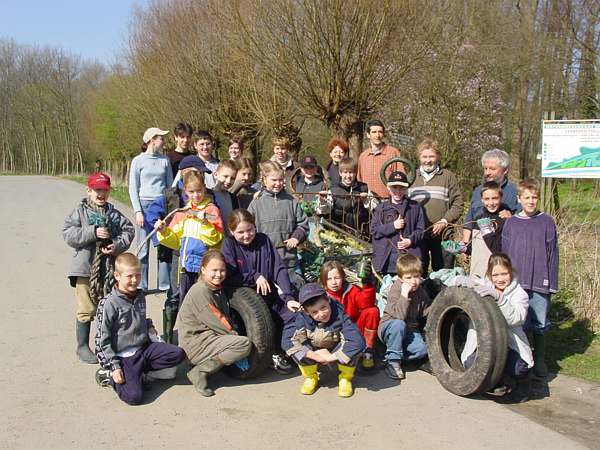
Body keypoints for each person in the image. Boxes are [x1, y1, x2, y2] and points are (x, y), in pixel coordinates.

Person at [94, 253, 186, 405]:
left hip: (143, 348)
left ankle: (141, 372)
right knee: (134, 397)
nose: (135, 280)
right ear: (117, 276)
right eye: (129, 276)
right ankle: (109, 375)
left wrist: (149, 327)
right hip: (123, 355)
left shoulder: (139, 295)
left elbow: (140, 318)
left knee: (178, 354)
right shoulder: (109, 304)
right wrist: (114, 366)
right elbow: (101, 341)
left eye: (138, 275)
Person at [63, 172, 135, 364]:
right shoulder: (80, 212)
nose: (101, 194)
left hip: (109, 269)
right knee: (87, 308)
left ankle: (108, 343)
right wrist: (92, 232)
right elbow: (69, 234)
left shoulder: (113, 213)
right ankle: (82, 347)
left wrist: (117, 245)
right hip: (85, 269)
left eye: (104, 190)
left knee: (109, 307)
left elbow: (129, 230)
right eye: (97, 190)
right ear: (89, 190)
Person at [141, 154, 213, 342]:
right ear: (182, 173)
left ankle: (196, 336)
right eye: (194, 172)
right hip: (177, 252)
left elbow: (216, 223)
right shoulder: (169, 195)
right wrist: (158, 223)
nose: (198, 175)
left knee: (201, 294)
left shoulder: (208, 196)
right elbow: (152, 214)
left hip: (202, 254)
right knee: (175, 293)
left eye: (201, 173)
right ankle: (170, 337)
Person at [222, 209, 300, 374]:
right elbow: (230, 273)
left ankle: (286, 349)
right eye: (240, 232)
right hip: (241, 298)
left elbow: (278, 268)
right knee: (259, 324)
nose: (246, 235)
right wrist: (255, 276)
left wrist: (288, 297)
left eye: (250, 230)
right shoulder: (229, 245)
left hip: (267, 293)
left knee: (292, 314)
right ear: (231, 231)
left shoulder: (263, 240)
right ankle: (268, 354)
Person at [450, 253, 534, 403]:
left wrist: (499, 298)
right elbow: (455, 283)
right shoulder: (483, 285)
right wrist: (459, 280)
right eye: (495, 275)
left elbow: (516, 319)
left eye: (504, 273)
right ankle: (497, 382)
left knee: (519, 368)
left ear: (511, 272)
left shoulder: (519, 294)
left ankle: (521, 383)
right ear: (489, 274)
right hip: (483, 342)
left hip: (508, 344)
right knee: (471, 364)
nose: (500, 279)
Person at [502, 179, 558, 378]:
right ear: (519, 199)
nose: (531, 201)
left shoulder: (547, 222)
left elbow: (553, 254)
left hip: (540, 281)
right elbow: (505, 254)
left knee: (539, 321)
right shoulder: (511, 223)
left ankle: (540, 358)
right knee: (519, 322)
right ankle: (521, 358)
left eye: (534, 197)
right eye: (527, 197)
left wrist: (552, 282)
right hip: (517, 283)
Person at [177, 250, 252, 396]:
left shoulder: (215, 287)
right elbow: (219, 322)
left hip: (207, 337)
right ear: (203, 269)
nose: (219, 274)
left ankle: (205, 364)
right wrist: (238, 339)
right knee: (243, 344)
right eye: (214, 270)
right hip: (194, 344)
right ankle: (199, 371)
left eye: (222, 270)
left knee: (238, 342)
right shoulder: (201, 291)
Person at [282, 283, 366, 397]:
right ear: (306, 311)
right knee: (295, 348)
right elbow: (287, 341)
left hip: (334, 349)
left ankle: (345, 378)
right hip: (314, 350)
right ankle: (311, 376)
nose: (321, 314)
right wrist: (315, 356)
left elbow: (357, 340)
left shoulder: (340, 315)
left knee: (353, 347)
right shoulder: (300, 319)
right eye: (314, 312)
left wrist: (331, 357)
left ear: (328, 300)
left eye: (323, 307)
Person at [154, 171, 223, 305]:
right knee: (185, 302)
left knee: (204, 302)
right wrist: (163, 231)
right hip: (185, 267)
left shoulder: (212, 211)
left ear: (204, 188)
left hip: (205, 268)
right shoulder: (183, 213)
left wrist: (205, 223)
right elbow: (176, 242)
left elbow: (216, 239)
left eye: (199, 191)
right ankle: (183, 326)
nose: (196, 195)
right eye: (191, 192)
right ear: (185, 191)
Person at [248, 160, 309, 289]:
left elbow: (303, 224)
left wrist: (296, 237)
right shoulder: (256, 203)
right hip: (265, 261)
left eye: (281, 180)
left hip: (289, 260)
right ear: (264, 180)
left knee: (294, 294)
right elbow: (247, 228)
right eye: (274, 180)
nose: (278, 183)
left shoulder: (291, 201)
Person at [408, 138, 463, 274]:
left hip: (443, 235)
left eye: (431, 156)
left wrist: (444, 221)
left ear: (437, 157)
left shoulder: (448, 176)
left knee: (444, 274)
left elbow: (458, 204)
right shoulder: (411, 177)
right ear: (419, 157)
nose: (428, 160)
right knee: (418, 274)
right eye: (424, 156)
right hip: (418, 236)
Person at [129, 127, 174, 293]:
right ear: (151, 140)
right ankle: (142, 285)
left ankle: (164, 285)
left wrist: (170, 209)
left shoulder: (165, 161)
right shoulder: (138, 161)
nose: (163, 141)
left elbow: (170, 187)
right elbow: (133, 188)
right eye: (161, 138)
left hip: (161, 206)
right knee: (143, 248)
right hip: (144, 204)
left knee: (163, 245)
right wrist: (137, 211)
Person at [378, 253, 431, 381]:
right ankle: (393, 362)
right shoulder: (396, 289)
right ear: (401, 278)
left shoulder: (420, 291)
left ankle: (392, 354)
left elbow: (426, 311)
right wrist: (404, 295)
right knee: (399, 325)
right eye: (409, 277)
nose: (413, 281)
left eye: (417, 277)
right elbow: (400, 316)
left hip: (410, 329)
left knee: (422, 351)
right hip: (390, 326)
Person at [321, 261, 379, 369]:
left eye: (337, 278)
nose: (334, 282)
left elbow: (366, 304)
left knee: (372, 311)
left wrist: (367, 284)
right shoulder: (321, 294)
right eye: (329, 279)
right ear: (324, 280)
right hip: (332, 332)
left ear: (343, 277)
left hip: (353, 328)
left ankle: (368, 350)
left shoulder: (351, 289)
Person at [371, 171, 425, 276]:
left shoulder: (415, 207)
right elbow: (374, 230)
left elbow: (421, 230)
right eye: (394, 188)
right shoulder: (380, 208)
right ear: (388, 188)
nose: (398, 191)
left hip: (409, 260)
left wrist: (410, 240)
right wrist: (393, 226)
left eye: (401, 188)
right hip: (386, 261)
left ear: (406, 189)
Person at [462, 149, 521, 245]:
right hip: (478, 246)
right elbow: (469, 220)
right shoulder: (478, 191)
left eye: (492, 169)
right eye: (485, 168)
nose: (487, 173)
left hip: (503, 245)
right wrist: (465, 244)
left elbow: (524, 222)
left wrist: (512, 218)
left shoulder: (515, 192)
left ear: (505, 170)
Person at [325, 157, 375, 238]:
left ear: (355, 173)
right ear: (340, 173)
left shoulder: (364, 188)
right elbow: (325, 210)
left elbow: (374, 209)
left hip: (362, 234)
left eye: (351, 172)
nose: (348, 176)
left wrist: (366, 201)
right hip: (339, 234)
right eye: (345, 172)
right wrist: (322, 200)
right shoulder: (333, 190)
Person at [466, 181, 507, 278]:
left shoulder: (504, 220)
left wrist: (487, 231)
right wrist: (463, 249)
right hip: (477, 271)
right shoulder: (477, 219)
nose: (491, 203)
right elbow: (475, 246)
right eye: (487, 199)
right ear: (482, 200)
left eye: (495, 198)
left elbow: (499, 249)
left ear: (501, 198)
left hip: (496, 274)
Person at [357, 119, 402, 199]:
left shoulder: (393, 153)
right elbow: (359, 181)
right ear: (368, 134)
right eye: (374, 132)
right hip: (367, 203)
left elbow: (401, 178)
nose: (377, 135)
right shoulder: (363, 157)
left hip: (388, 202)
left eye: (380, 132)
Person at [212, 160, 239, 230]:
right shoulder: (208, 195)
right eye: (225, 176)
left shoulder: (233, 198)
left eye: (232, 178)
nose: (228, 181)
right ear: (215, 175)